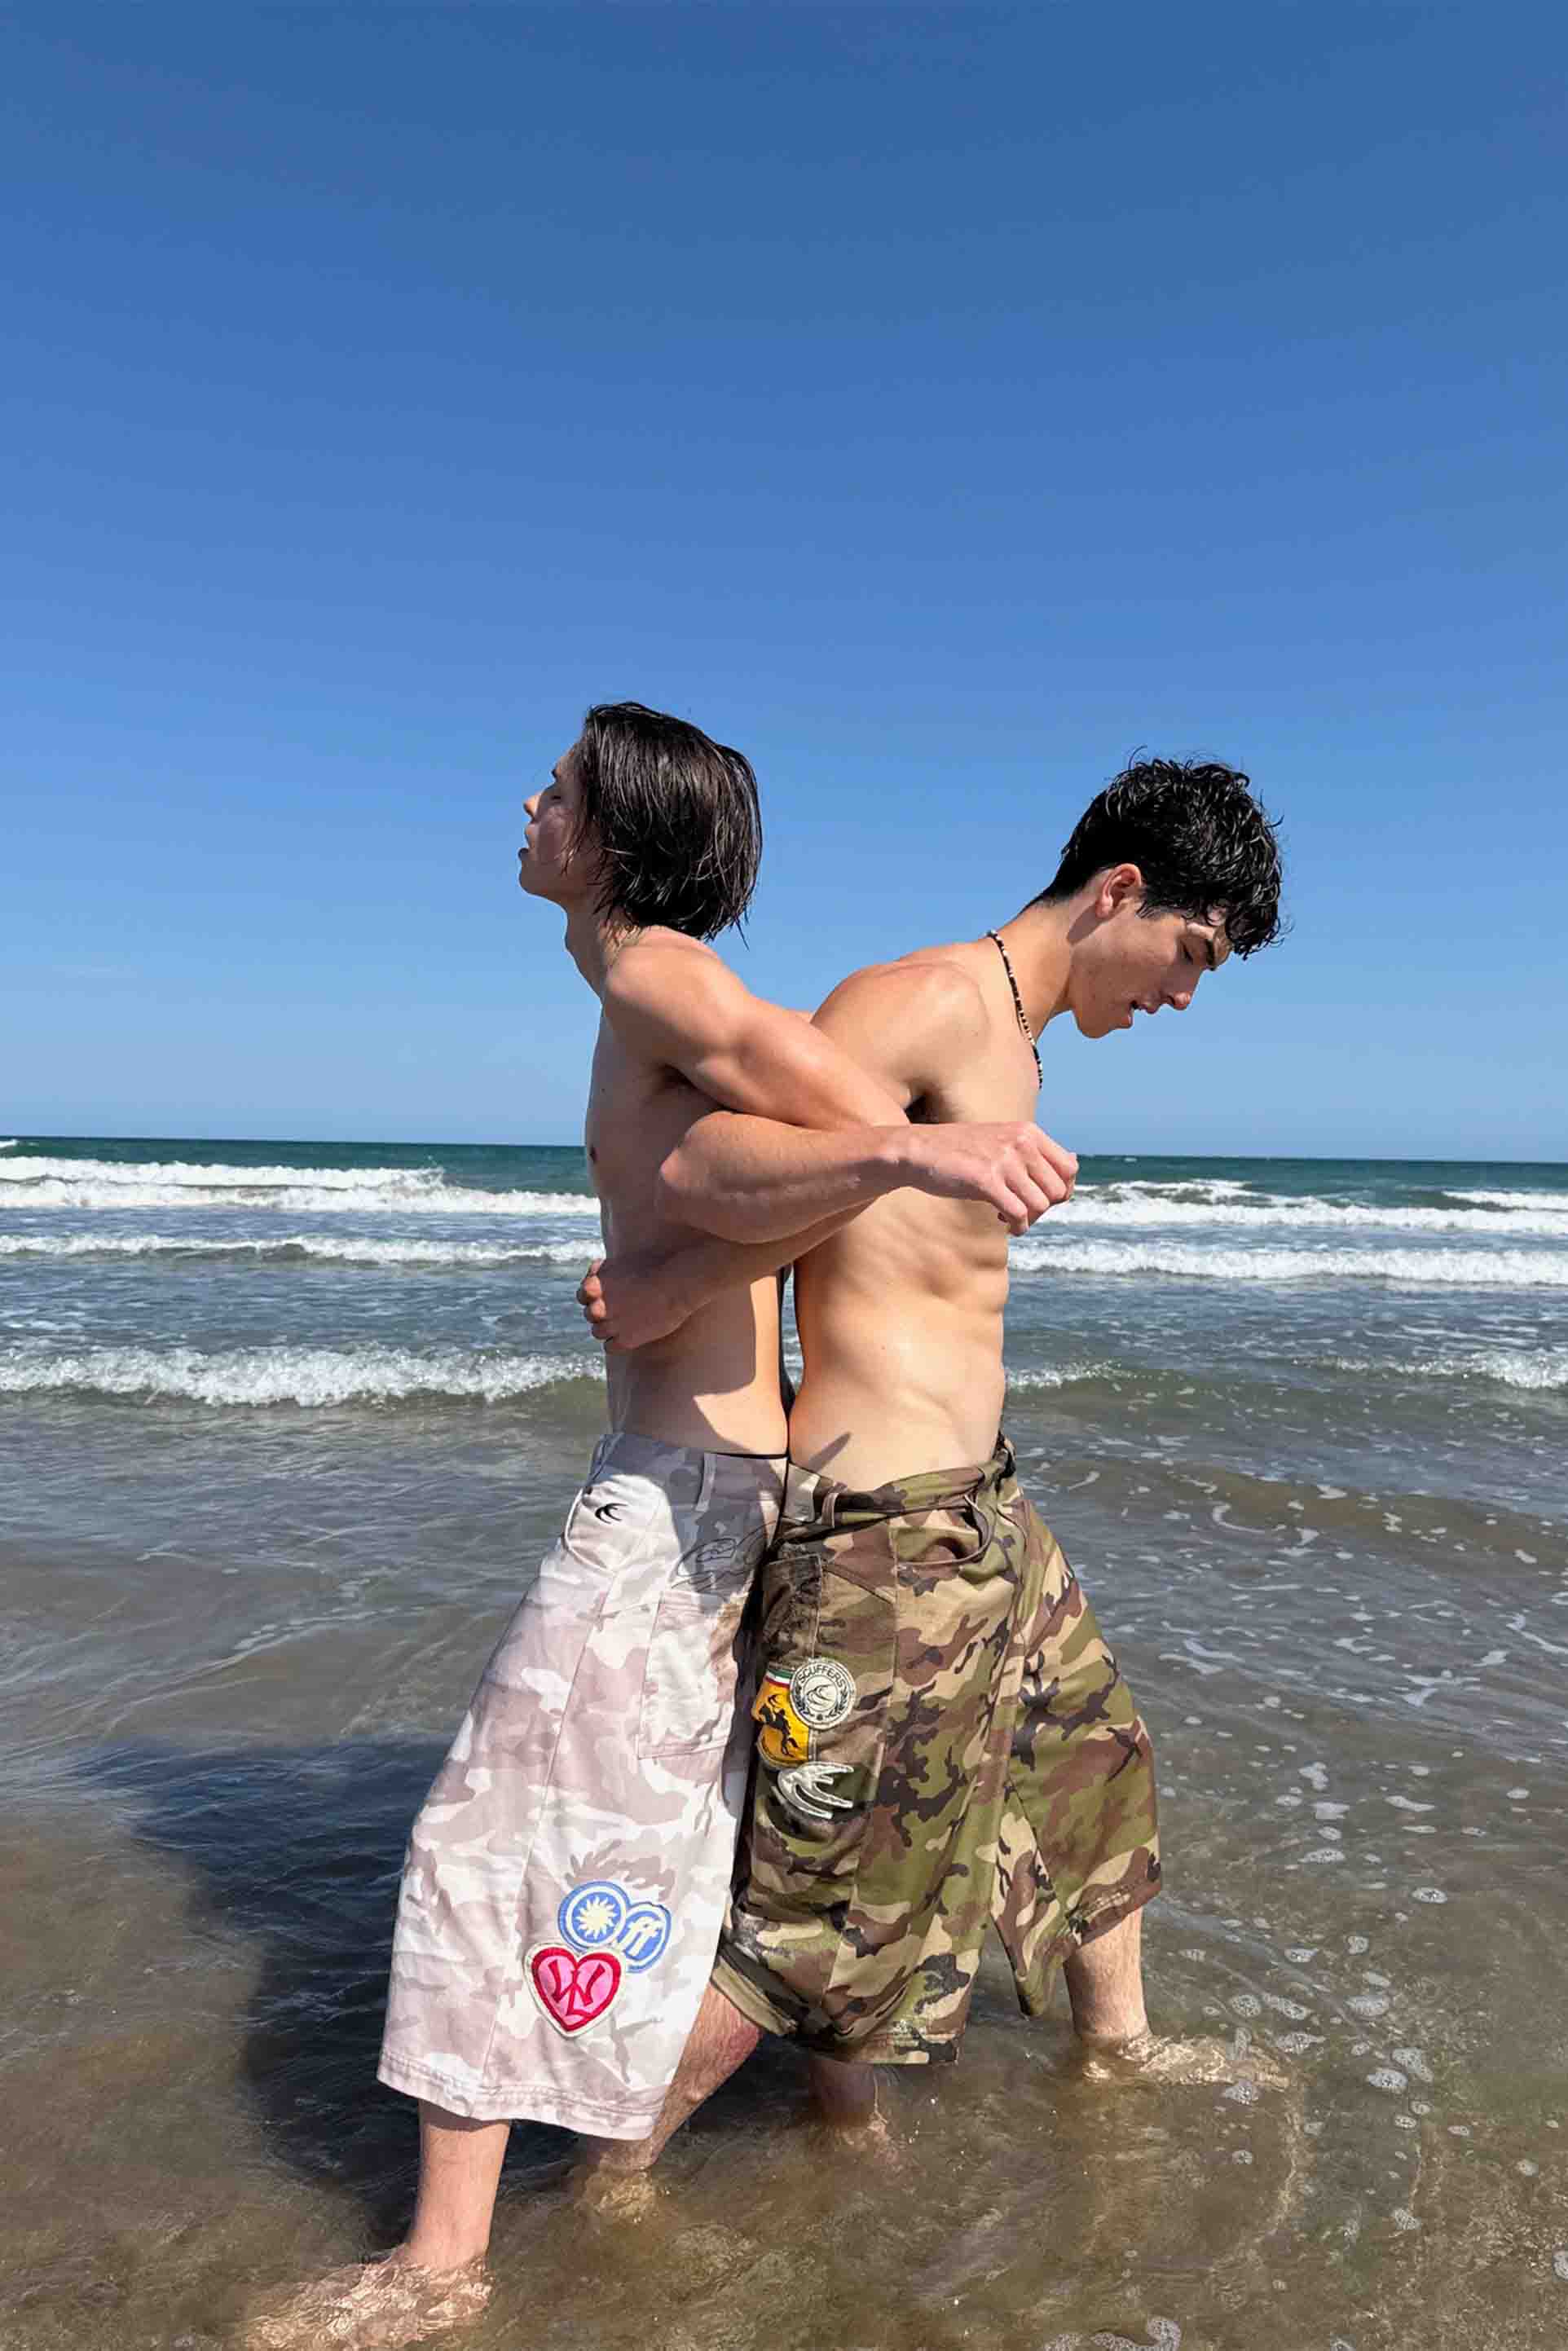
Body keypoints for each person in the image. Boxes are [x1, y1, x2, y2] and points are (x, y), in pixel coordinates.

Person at [241, 702, 1077, 2351]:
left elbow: (848, 1112)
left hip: (673, 1501)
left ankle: (441, 2267)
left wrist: (865, 1178)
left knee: (481, 1839)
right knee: (683, 1841)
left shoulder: (650, 974)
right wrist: (695, 1264)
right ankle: (735, 2141)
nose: (528, 800)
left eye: (556, 786)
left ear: (613, 836)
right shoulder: (642, 992)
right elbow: (792, 1155)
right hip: (718, 1488)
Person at [575, 754, 1285, 2163]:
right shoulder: (924, 1002)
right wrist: (672, 1292)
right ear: (1120, 891)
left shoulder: (1018, 1042)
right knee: (821, 1924)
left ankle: (1118, 2056)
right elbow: (717, 1159)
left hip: (982, 1512)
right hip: (883, 1540)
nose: (1183, 995)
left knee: (1091, 1769)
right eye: (1190, 954)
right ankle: (603, 2178)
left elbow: (865, 1204)